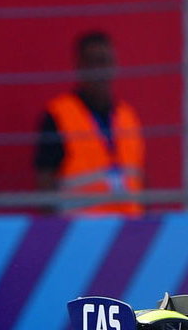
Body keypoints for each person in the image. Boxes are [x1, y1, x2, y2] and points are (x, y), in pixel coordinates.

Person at [34, 30, 145, 215]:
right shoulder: (58, 116)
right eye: (93, 62)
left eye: (105, 61)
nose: (100, 70)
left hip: (128, 227)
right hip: (80, 229)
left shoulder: (129, 117)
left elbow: (139, 180)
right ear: (80, 67)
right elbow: (45, 186)